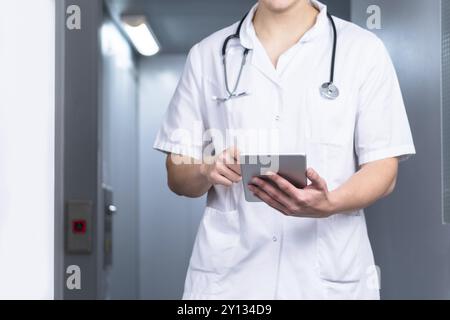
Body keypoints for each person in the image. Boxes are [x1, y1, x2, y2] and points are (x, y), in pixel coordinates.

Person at [154, 0, 415, 300]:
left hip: (327, 283)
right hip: (231, 285)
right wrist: (206, 169)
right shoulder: (207, 55)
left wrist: (330, 202)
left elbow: (383, 167)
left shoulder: (363, 50)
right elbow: (176, 172)